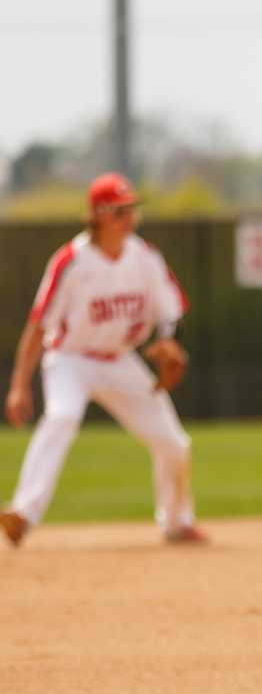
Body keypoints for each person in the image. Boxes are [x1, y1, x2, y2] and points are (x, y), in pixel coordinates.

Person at [1, 173, 205, 547]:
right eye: (121, 210)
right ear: (99, 214)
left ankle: (177, 522)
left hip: (121, 360)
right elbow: (37, 326)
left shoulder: (145, 258)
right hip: (70, 360)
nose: (130, 217)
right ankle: (23, 514)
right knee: (62, 415)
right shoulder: (71, 262)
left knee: (174, 443)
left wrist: (168, 343)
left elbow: (171, 313)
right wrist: (18, 386)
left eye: (132, 210)